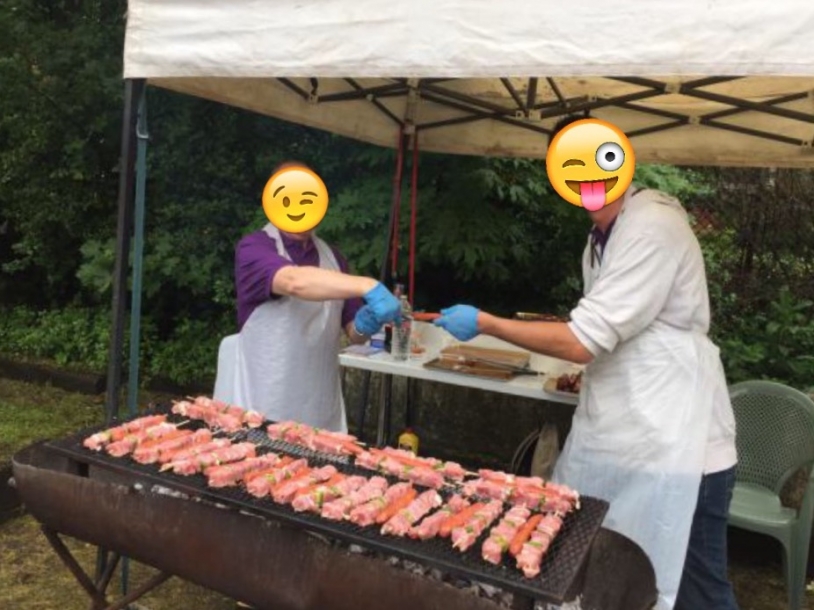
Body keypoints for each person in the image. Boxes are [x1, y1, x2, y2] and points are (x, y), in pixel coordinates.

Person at [433, 117, 739, 610]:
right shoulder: (599, 239)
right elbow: (603, 329)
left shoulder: (653, 223)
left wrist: (489, 323)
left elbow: (582, 341)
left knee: (695, 591)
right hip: (627, 429)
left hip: (682, 444)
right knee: (602, 566)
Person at [231, 160, 401, 433]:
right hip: (266, 408)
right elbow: (294, 281)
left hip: (322, 410)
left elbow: (353, 333)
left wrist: (365, 323)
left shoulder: (334, 258)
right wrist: (369, 285)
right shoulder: (254, 248)